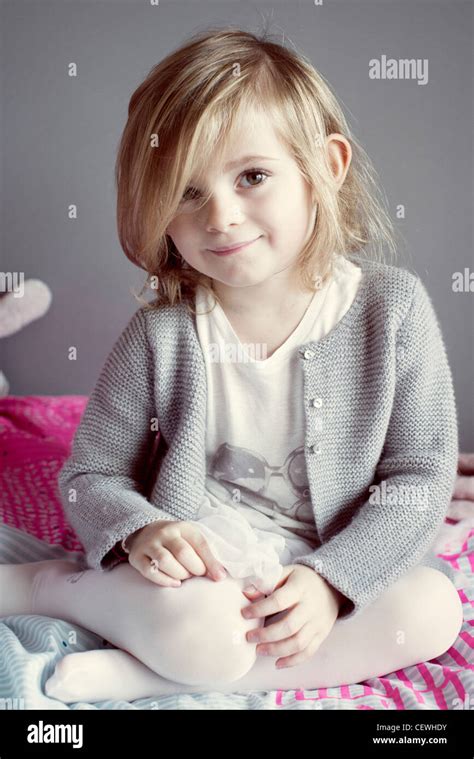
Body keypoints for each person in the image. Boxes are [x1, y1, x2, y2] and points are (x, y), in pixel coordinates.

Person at [0, 26, 464, 703]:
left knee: (434, 611)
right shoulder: (163, 332)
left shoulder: (391, 310)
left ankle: (141, 675)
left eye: (252, 176)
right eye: (187, 192)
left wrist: (332, 581)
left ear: (326, 168)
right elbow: (92, 471)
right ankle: (54, 585)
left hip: (329, 561)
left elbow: (419, 478)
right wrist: (143, 530)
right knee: (208, 627)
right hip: (205, 566)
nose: (219, 214)